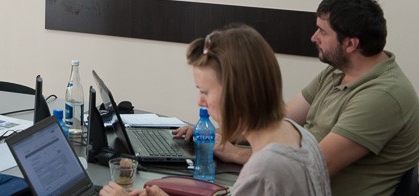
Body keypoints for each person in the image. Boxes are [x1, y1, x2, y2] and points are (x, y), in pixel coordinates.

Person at [174, 0, 419, 195]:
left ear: (351, 44)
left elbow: (312, 167)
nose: (313, 37)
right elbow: (275, 119)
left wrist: (232, 152)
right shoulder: (336, 73)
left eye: (323, 31)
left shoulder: (384, 96)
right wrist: (215, 134)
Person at [101, 23, 330, 196]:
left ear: (237, 92)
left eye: (205, 92)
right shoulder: (299, 135)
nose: (200, 102)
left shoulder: (264, 171)